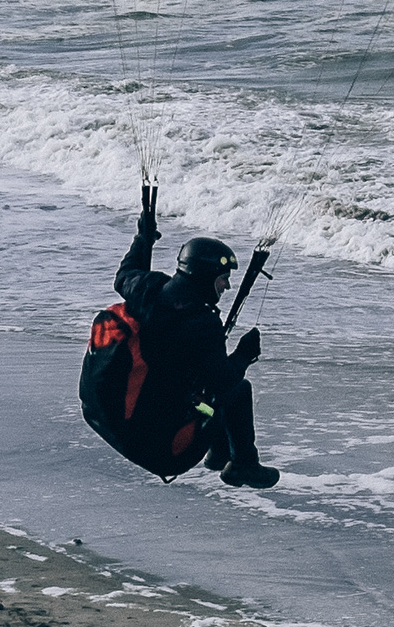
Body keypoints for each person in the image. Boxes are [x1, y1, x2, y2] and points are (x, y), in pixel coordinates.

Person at [106, 183, 277, 489]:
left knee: (205, 385)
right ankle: (243, 465)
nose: (226, 286)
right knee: (237, 391)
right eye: (222, 279)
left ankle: (218, 453)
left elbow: (124, 276)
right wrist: (244, 355)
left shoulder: (149, 288)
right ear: (205, 278)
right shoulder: (201, 323)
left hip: (132, 416)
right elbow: (224, 382)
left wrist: (143, 238)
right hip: (165, 437)